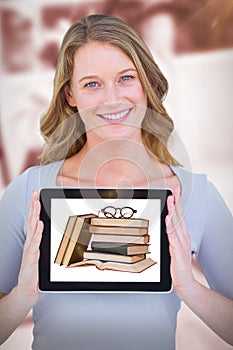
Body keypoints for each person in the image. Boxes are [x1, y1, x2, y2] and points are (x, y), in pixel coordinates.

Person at [0, 14, 232, 350]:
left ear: (145, 84)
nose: (111, 98)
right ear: (70, 96)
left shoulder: (196, 196)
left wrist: (191, 289)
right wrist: (23, 297)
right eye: (92, 84)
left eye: (125, 78)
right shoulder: (29, 192)